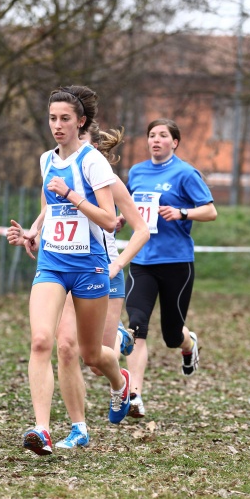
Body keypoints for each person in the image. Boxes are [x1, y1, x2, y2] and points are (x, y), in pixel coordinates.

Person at [6, 85, 132, 456]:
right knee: (43, 341)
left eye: (64, 119)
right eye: (52, 118)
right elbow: (49, 208)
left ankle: (119, 381)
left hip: (89, 266)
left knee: (92, 355)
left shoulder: (92, 162)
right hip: (53, 263)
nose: (57, 125)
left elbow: (109, 220)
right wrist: (33, 231)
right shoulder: (46, 160)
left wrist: (72, 195)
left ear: (80, 122)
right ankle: (41, 430)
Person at [53, 125, 150, 449]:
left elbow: (141, 230)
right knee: (66, 348)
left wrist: (117, 264)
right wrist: (33, 234)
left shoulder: (107, 180)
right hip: (67, 270)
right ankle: (78, 428)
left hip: (103, 274)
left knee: (94, 362)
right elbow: (49, 216)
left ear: (94, 149)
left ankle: (120, 378)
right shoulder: (58, 172)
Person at [117, 118, 217, 418]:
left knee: (172, 335)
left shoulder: (185, 173)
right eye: (151, 135)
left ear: (175, 142)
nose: (156, 140)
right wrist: (121, 219)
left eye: (163, 135)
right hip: (142, 261)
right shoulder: (137, 172)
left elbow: (210, 211)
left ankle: (188, 343)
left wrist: (182, 212)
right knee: (136, 327)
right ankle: (134, 397)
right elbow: (129, 206)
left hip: (176, 263)